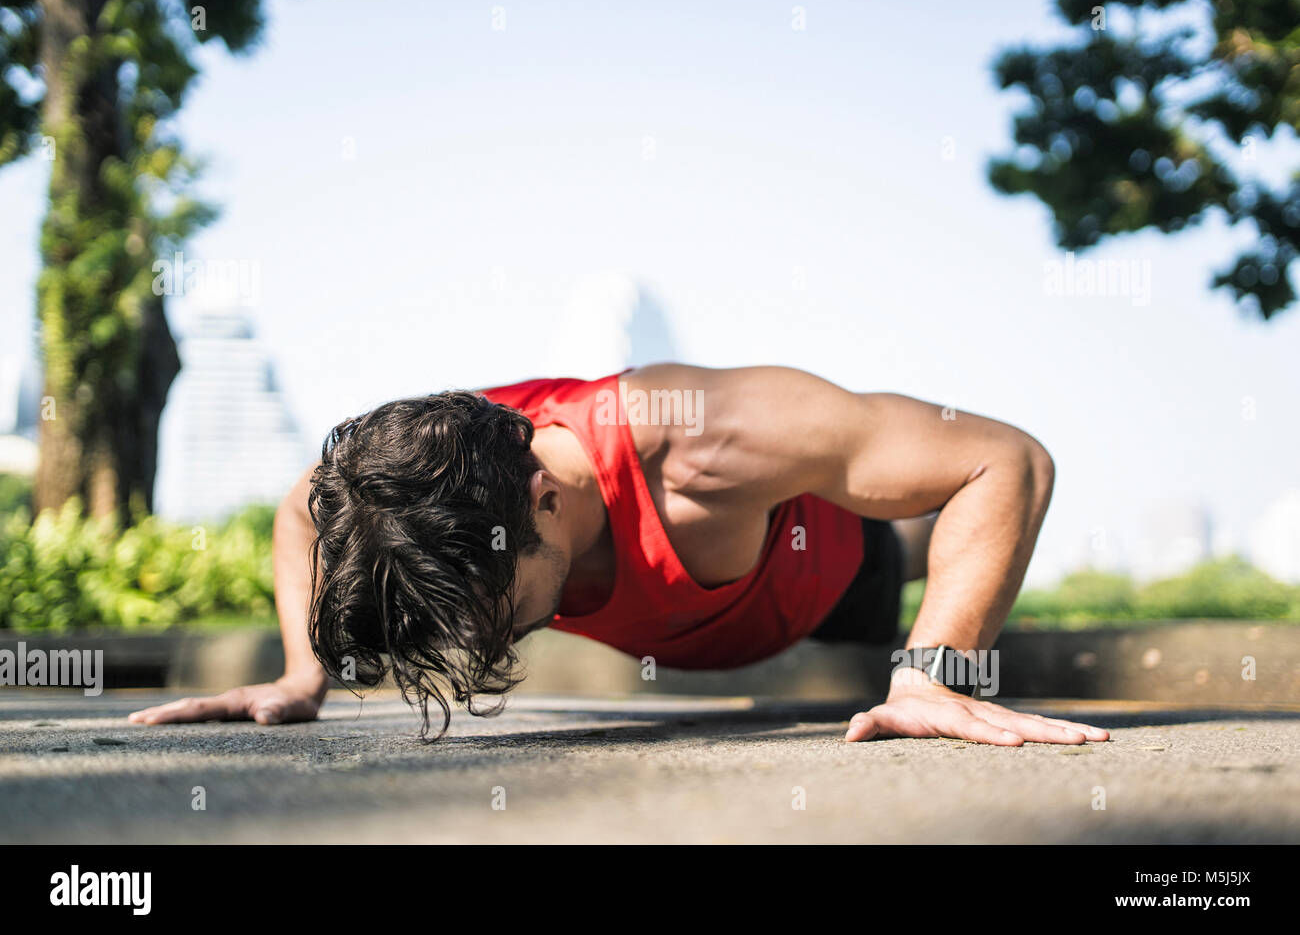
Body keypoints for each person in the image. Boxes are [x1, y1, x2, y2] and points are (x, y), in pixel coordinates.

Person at [129, 363, 1110, 747]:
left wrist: (934, 676)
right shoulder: (423, 477)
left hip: (835, 581)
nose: (477, 640)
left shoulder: (705, 444)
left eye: (491, 606)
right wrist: (305, 674)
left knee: (886, 532)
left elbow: (1002, 458)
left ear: (544, 502)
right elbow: (304, 503)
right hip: (690, 616)